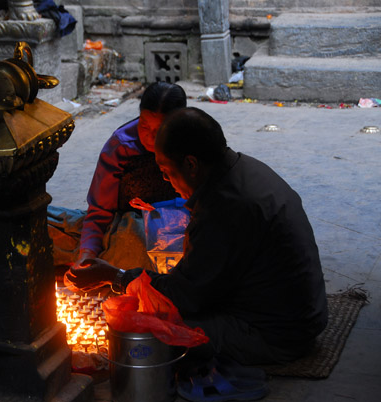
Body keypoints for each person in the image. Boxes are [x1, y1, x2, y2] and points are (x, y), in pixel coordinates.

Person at [66, 107, 328, 368]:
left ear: (191, 164)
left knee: (147, 334)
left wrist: (116, 277)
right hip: (303, 314)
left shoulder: (225, 207)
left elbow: (185, 299)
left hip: (276, 334)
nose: (167, 181)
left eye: (166, 171)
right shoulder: (244, 169)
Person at [49, 82, 187, 271]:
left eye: (160, 130)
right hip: (120, 226)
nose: (150, 137)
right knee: (41, 224)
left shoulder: (191, 142)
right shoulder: (122, 145)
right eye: (145, 126)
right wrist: (87, 256)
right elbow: (99, 212)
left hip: (175, 227)